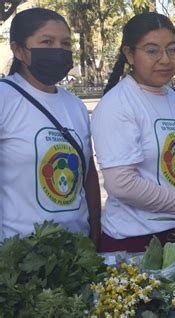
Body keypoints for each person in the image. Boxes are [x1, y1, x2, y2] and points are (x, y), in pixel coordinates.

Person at [91, 12, 175, 252]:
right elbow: (122, 184)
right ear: (129, 54)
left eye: (172, 49)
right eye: (152, 50)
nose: (165, 59)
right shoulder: (117, 103)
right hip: (133, 241)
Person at [0, 8, 101, 245]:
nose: (59, 50)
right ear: (18, 50)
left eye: (65, 43)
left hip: (76, 248)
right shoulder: (5, 98)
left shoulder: (74, 105)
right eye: (47, 42)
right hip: (18, 252)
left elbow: (88, 173)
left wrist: (95, 226)